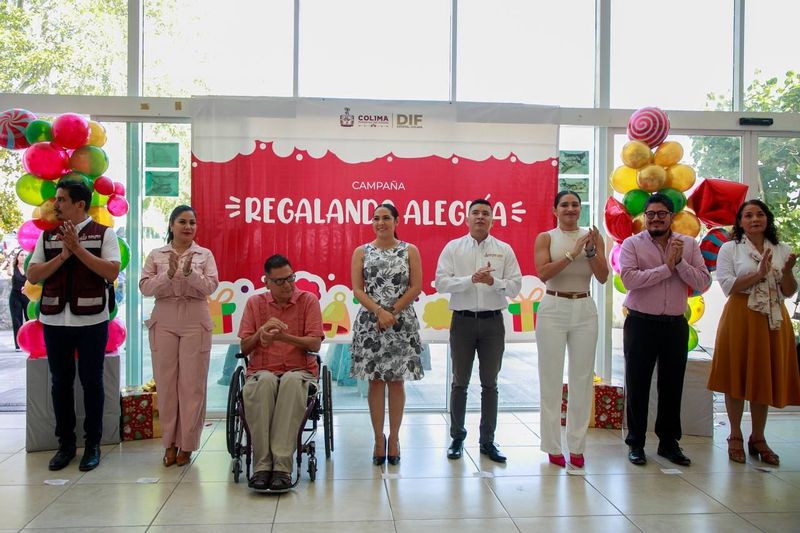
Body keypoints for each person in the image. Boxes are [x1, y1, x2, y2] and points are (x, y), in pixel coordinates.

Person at [26, 181, 121, 472]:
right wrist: (64, 255)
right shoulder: (47, 237)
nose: (56, 205)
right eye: (57, 199)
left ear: (79, 204)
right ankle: (65, 444)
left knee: (92, 382)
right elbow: (33, 274)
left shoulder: (105, 234)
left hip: (92, 319)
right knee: (60, 383)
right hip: (55, 320)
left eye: (62, 200)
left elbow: (111, 270)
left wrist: (77, 249)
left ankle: (92, 444)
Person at [619, 192, 711, 467]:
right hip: (640, 323)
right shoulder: (631, 244)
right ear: (644, 217)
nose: (656, 219)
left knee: (672, 385)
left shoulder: (689, 244)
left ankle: (669, 443)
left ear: (672, 217)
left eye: (661, 214)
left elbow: (704, 282)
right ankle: (636, 442)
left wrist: (680, 263)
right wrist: (665, 267)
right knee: (637, 384)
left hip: (674, 325)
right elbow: (629, 280)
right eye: (650, 214)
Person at [708, 199, 800, 465]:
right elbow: (727, 285)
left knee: (764, 377)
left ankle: (758, 437)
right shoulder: (730, 249)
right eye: (748, 215)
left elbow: (788, 291)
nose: (754, 219)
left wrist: (789, 271)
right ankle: (735, 435)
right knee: (736, 375)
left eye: (759, 214)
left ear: (767, 219)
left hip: (773, 317)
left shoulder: (782, 249)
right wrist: (758, 274)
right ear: (740, 222)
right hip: (741, 314)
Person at [435, 198, 522, 463]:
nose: (480, 217)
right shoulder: (453, 248)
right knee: (459, 382)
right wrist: (470, 280)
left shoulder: (504, 249)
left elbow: (515, 286)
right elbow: (440, 283)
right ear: (467, 218)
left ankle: (488, 441)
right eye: (476, 213)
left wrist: (493, 281)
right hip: (462, 322)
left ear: (493, 220)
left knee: (490, 384)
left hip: (493, 323)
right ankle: (457, 438)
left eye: (486, 213)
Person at [140, 205, 219, 468]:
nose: (188, 227)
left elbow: (210, 286)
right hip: (164, 318)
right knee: (166, 384)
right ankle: (169, 444)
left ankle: (187, 445)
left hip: (195, 318)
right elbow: (145, 288)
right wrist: (168, 273)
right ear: (171, 225)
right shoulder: (156, 254)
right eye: (182, 222)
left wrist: (189, 273)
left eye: (192, 223)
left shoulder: (204, 254)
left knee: (192, 385)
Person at [534, 191, 608, 468]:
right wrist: (572, 253)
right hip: (554, 307)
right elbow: (544, 273)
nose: (570, 209)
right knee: (551, 379)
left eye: (575, 204)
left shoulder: (593, 236)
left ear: (580, 208)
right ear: (555, 210)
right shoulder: (546, 237)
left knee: (582, 379)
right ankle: (553, 446)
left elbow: (602, 276)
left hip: (584, 308)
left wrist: (589, 252)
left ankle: (577, 446)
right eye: (564, 205)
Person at [239, 254, 323, 492]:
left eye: (291, 278)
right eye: (280, 281)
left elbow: (315, 344)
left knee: (290, 382)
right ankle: (262, 466)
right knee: (264, 382)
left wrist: (282, 336)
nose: (288, 285)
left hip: (300, 370)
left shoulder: (308, 300)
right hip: (262, 370)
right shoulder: (255, 304)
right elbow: (245, 347)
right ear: (267, 282)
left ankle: (282, 467)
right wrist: (261, 333)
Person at [350, 204, 424, 466]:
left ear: (396, 221)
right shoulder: (361, 251)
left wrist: (392, 311)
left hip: (401, 323)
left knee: (396, 382)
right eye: (376, 218)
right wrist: (379, 311)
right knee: (375, 382)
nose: (380, 222)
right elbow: (358, 289)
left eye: (386, 218)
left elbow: (416, 287)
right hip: (371, 324)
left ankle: (394, 438)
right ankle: (378, 439)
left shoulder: (409, 250)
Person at [9, 248, 30, 350]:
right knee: (17, 320)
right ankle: (18, 345)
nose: (24, 257)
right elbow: (9, 273)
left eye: (25, 255)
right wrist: (9, 261)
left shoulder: (28, 268)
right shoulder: (14, 268)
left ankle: (30, 343)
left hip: (26, 296)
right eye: (21, 255)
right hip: (15, 297)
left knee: (29, 319)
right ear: (17, 257)